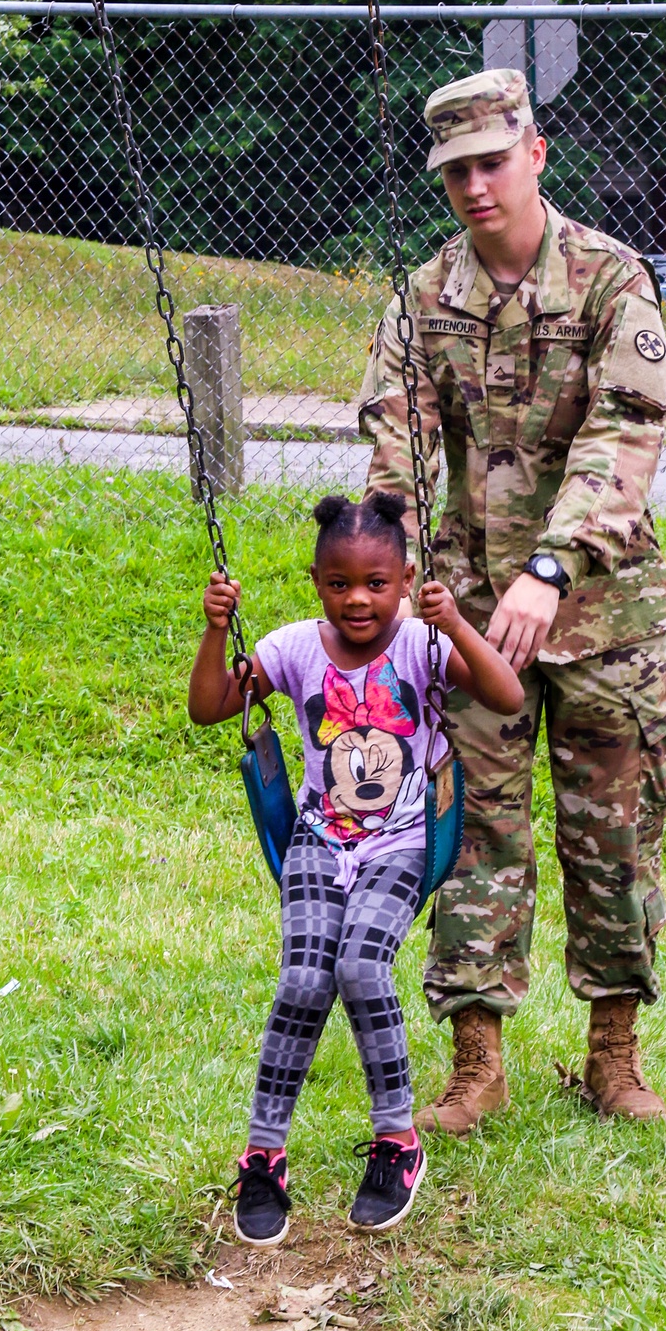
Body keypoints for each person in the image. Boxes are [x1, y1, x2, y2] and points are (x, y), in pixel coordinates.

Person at [358, 68, 666, 1136]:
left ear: (534, 152)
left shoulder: (610, 279)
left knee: (613, 836)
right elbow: (397, 450)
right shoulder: (423, 298)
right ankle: (476, 1065)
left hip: (596, 612)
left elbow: (625, 429)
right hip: (467, 619)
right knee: (474, 835)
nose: (472, 186)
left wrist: (550, 568)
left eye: (490, 162)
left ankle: (614, 1057)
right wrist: (395, 582)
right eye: (454, 170)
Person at [188, 491, 523, 1245]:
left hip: (404, 842)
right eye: (340, 583)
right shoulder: (294, 649)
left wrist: (457, 624)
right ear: (317, 583)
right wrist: (216, 632)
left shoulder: (423, 647)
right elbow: (210, 708)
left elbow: (503, 696)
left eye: (376, 582)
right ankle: (264, 1153)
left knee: (363, 969)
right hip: (318, 840)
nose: (358, 599)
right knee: (305, 979)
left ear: (406, 579)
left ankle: (396, 1142)